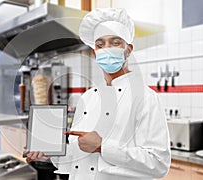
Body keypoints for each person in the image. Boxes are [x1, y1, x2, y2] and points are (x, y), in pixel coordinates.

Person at [24, 8, 171, 180]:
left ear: (128, 50)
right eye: (100, 44)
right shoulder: (88, 98)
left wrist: (103, 146)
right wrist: (50, 155)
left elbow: (159, 163)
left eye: (115, 42)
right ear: (95, 53)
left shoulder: (146, 98)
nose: (106, 49)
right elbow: (78, 157)